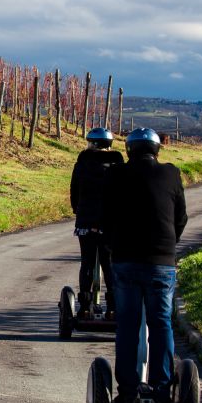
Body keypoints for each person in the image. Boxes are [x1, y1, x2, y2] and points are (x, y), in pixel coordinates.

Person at [107, 128, 187, 403]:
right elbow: (181, 218)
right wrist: (167, 245)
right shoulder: (172, 174)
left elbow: (107, 217)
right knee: (161, 322)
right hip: (162, 262)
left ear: (129, 150)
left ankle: (128, 391)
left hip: (126, 260)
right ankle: (162, 389)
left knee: (128, 325)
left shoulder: (116, 174)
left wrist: (113, 244)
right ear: (157, 150)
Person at [70, 127, 124, 318]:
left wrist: (78, 210)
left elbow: (74, 193)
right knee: (109, 263)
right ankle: (113, 308)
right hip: (110, 222)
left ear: (91, 143)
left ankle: (84, 307)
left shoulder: (82, 163)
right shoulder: (118, 165)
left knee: (87, 262)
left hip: (86, 221)